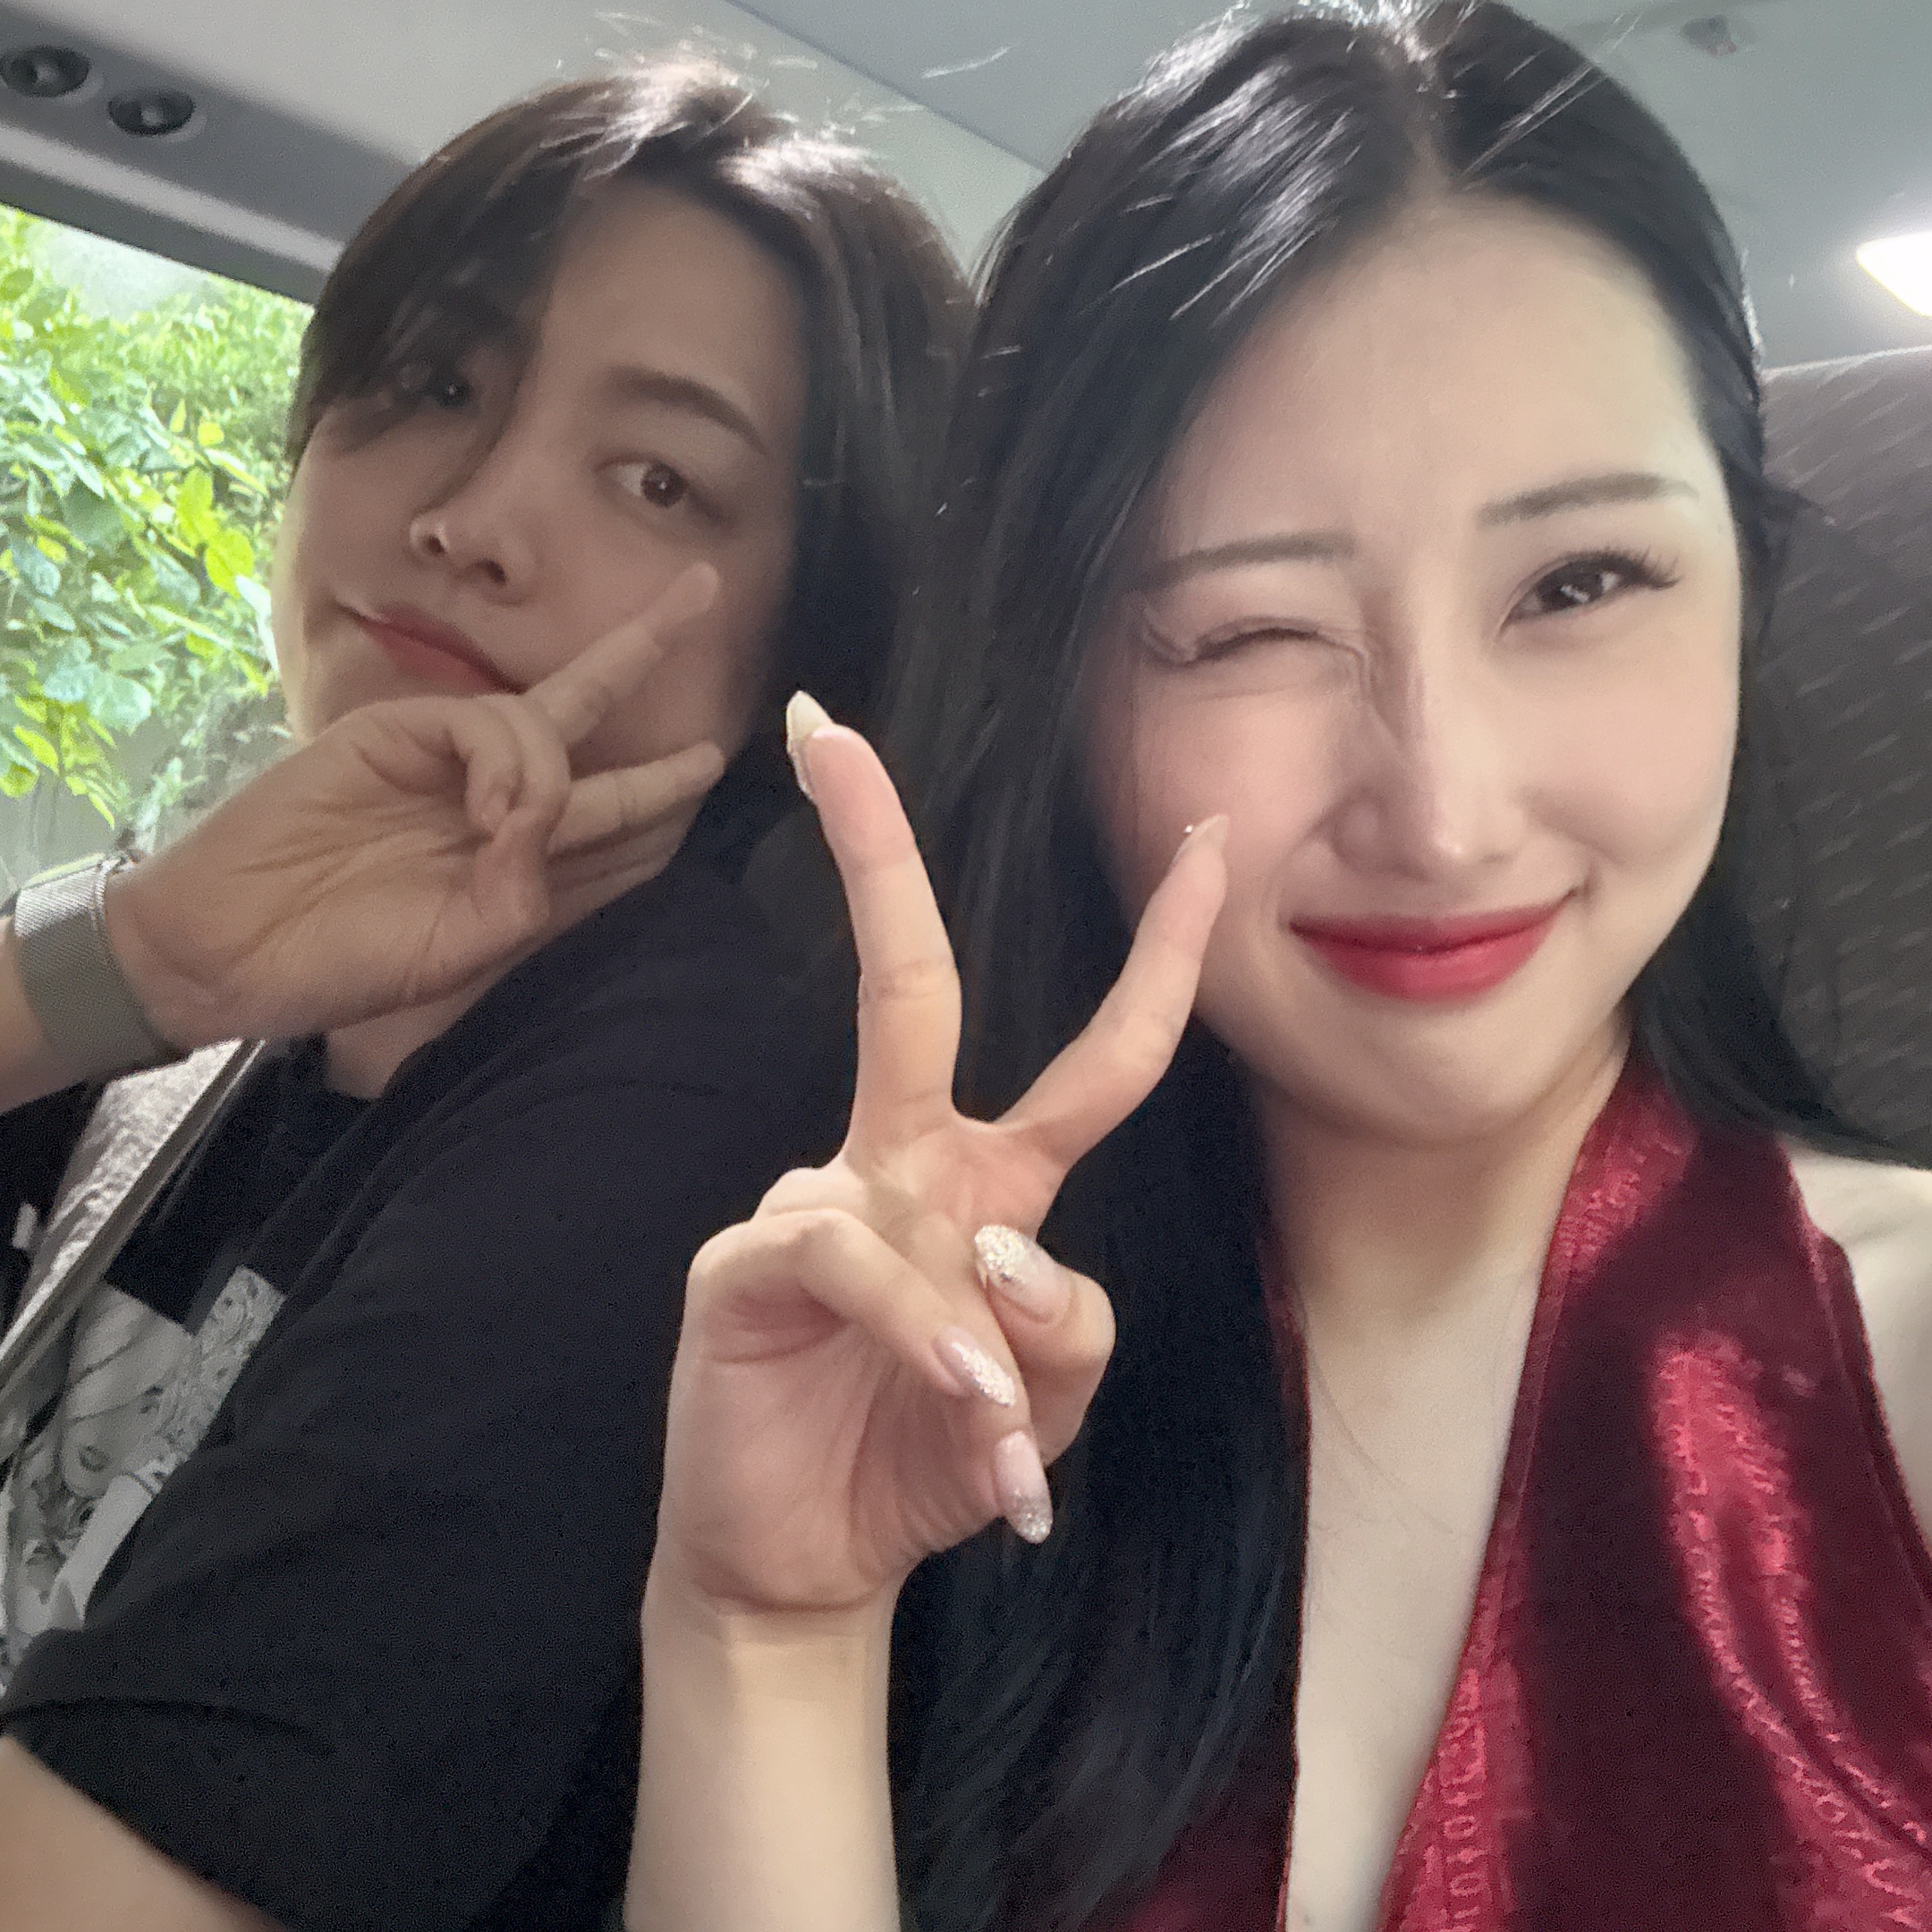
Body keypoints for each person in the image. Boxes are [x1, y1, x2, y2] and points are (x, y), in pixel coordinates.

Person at [623, 7, 1932, 1932]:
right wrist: (766, 1636)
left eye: (1578, 585)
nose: (1444, 814)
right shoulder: (908, 1386)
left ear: (1744, 588)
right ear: (1060, 702)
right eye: (1247, 631)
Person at [0, 55, 966, 1932]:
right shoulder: (211, 981)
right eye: (437, 384)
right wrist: (135, 967)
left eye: (660, 478)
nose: (474, 518)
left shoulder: (699, 1108)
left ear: (818, 632)